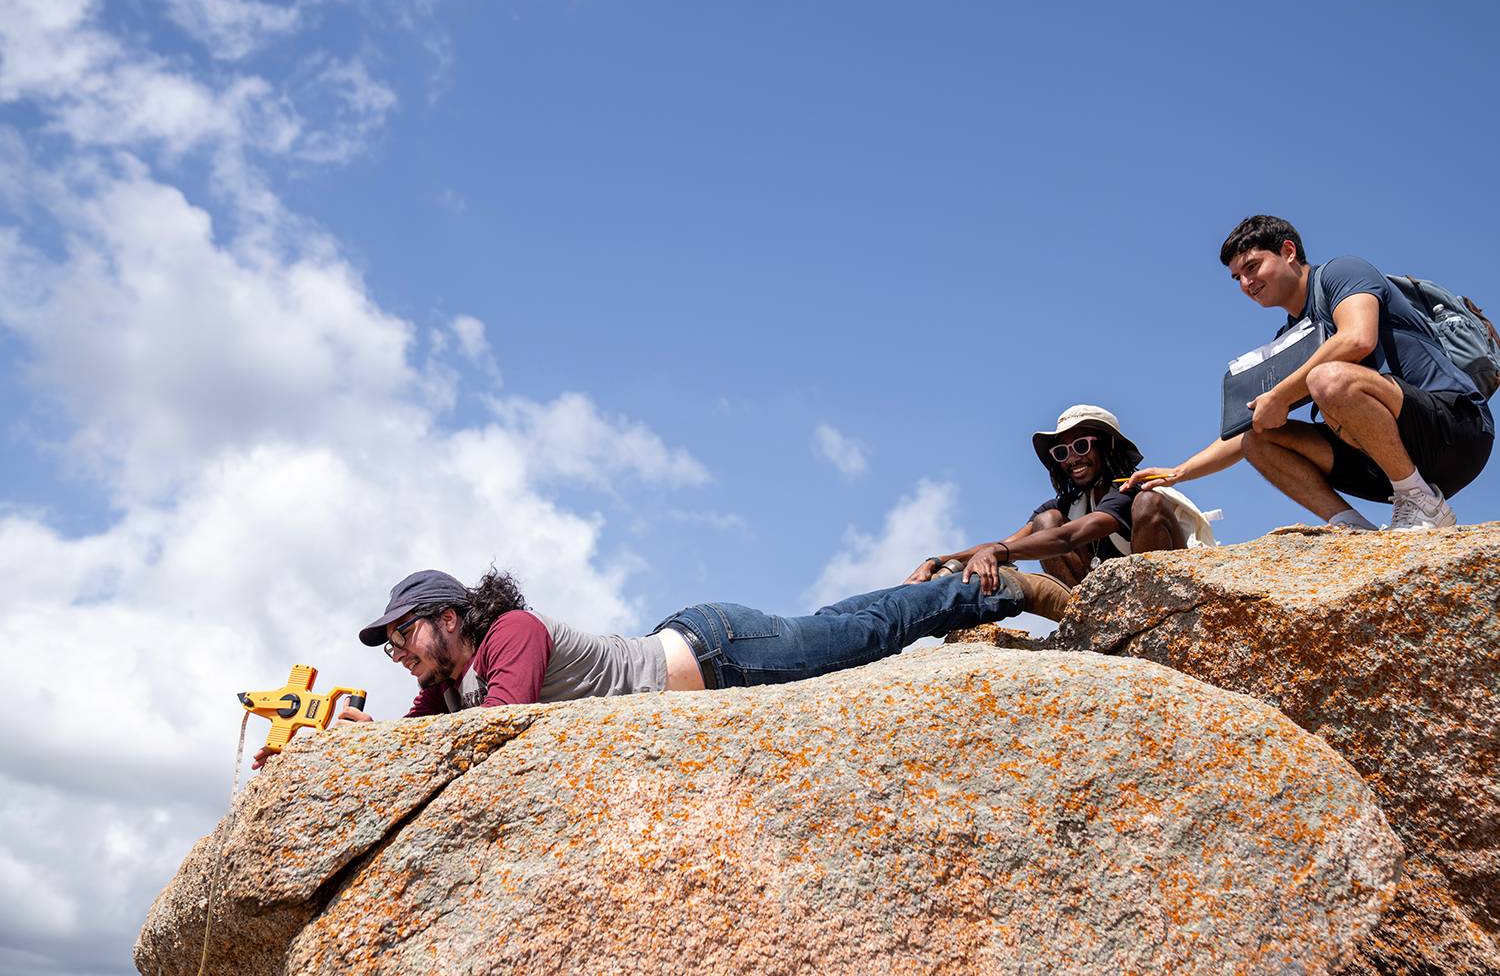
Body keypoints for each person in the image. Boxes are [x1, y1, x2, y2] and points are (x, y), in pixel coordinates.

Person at [253, 563, 1047, 765]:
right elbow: (408, 746)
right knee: (844, 626)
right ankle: (930, 589)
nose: (397, 655)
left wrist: (378, 744)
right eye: (388, 646)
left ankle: (994, 588)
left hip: (717, 652)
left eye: (402, 637)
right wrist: (342, 739)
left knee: (866, 635)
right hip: (700, 656)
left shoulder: (513, 636)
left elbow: (491, 735)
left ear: (449, 619)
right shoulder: (448, 685)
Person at [1125, 216, 1494, 530]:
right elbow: (1244, 432)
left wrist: (1281, 395)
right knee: (1259, 439)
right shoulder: (1288, 340)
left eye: (1252, 267)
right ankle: (1350, 527)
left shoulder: (1341, 273)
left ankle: (1422, 502)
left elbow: (1357, 339)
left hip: (1455, 431)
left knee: (1327, 379)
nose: (1245, 284)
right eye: (1237, 277)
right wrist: (1178, 472)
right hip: (1386, 461)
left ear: (1288, 251)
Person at [903, 405, 1195, 607]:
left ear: (1107, 447)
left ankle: (1152, 612)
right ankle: (1084, 615)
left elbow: (1071, 537)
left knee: (1149, 503)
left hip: (1164, 590)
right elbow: (1008, 543)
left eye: (1081, 446)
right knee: (1045, 522)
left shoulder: (1129, 491)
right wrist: (938, 562)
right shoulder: (1069, 505)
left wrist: (998, 552)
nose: (1072, 459)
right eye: (1061, 452)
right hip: (1110, 600)